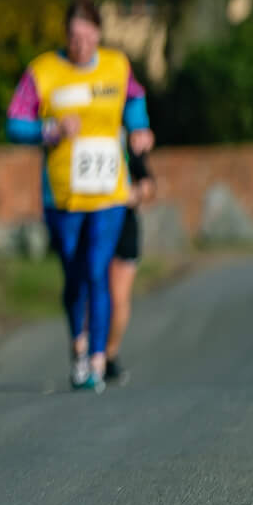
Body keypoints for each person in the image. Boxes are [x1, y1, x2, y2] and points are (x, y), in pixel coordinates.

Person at [4, 0, 155, 393]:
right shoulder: (43, 71)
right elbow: (14, 123)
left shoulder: (116, 65)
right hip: (63, 194)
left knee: (97, 270)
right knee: (74, 273)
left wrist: (140, 127)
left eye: (88, 37)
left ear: (99, 35)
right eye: (74, 37)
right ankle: (79, 346)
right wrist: (49, 130)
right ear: (65, 35)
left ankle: (97, 360)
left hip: (109, 191)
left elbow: (134, 99)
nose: (81, 45)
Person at [101, 148, 154, 386]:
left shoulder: (127, 146)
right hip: (96, 225)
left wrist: (130, 194)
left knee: (119, 298)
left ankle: (110, 355)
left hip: (124, 228)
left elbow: (148, 185)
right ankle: (93, 353)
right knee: (95, 293)